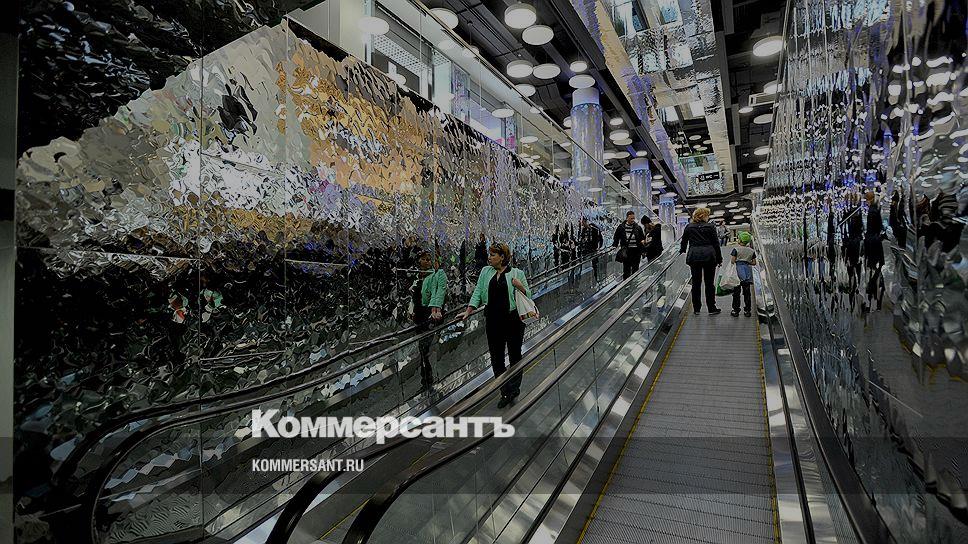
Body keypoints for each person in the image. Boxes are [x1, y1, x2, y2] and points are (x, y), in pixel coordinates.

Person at [462, 243, 532, 408]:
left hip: (513, 320)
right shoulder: (485, 272)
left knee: (515, 355)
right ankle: (504, 391)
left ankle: (514, 389)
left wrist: (520, 286)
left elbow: (529, 295)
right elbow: (478, 291)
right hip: (493, 320)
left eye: (493, 255)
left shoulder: (517, 273)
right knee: (496, 357)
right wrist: (469, 310)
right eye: (490, 254)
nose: (489, 257)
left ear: (502, 257)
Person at [412, 250, 446, 390]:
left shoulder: (434, 276)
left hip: (429, 316)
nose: (427, 261)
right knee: (422, 350)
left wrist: (434, 310)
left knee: (426, 349)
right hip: (418, 317)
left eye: (428, 259)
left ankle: (429, 380)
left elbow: (438, 293)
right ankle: (426, 380)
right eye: (424, 259)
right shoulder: (417, 276)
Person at [680, 207, 722, 315]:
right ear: (703, 216)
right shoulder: (710, 227)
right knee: (709, 283)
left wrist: (682, 250)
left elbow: (684, 241)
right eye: (707, 215)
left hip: (694, 256)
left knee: (696, 283)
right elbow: (716, 243)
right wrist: (719, 258)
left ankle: (696, 308)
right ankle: (711, 308)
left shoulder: (689, 227)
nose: (708, 217)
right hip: (709, 256)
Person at [612, 211, 646, 279]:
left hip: (636, 251)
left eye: (633, 218)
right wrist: (614, 245)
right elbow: (616, 237)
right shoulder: (621, 227)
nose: (633, 220)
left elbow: (642, 238)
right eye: (631, 218)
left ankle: (634, 282)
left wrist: (643, 248)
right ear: (627, 218)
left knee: (635, 268)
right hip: (626, 251)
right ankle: (626, 282)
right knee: (626, 269)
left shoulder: (638, 227)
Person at [730, 232, 757, 317]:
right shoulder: (751, 251)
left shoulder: (736, 249)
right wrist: (747, 262)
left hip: (737, 273)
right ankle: (747, 311)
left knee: (736, 293)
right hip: (747, 272)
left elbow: (732, 261)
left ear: (740, 240)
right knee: (747, 293)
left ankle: (736, 310)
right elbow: (754, 263)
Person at [579, 217, 604, 281]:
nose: (582, 224)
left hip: (593, 250)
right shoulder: (584, 230)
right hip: (586, 251)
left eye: (583, 222)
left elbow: (600, 238)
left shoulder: (594, 228)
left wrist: (599, 247)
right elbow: (582, 239)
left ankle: (597, 277)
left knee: (595, 264)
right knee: (584, 265)